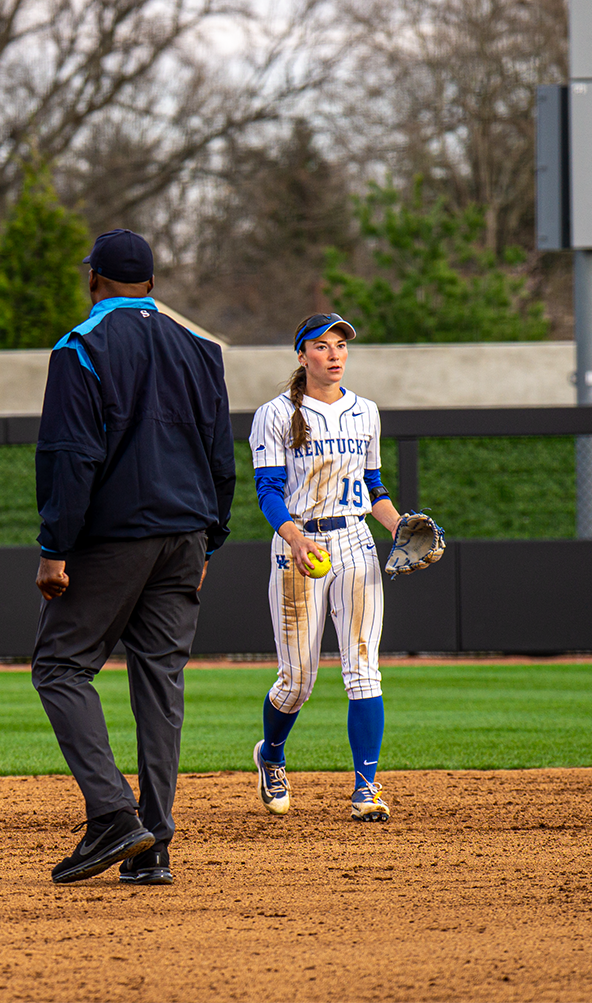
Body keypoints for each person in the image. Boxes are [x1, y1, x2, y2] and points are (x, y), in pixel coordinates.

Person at [32, 228, 234, 886]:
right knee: (160, 682)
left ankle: (116, 815)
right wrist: (212, 539)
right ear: (150, 283)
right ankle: (154, 845)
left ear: (94, 279)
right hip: (185, 538)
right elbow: (221, 456)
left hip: (115, 537)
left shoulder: (80, 346)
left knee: (62, 666)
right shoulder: (200, 350)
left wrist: (54, 549)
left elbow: (71, 456)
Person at [249, 313, 403, 824]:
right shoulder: (274, 413)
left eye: (340, 345)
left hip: (355, 541)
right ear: (301, 355)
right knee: (297, 680)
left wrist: (399, 528)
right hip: (299, 545)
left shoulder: (367, 412)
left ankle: (366, 788)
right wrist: (293, 537)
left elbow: (373, 489)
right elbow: (268, 490)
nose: (334, 354)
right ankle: (271, 754)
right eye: (321, 345)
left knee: (363, 669)